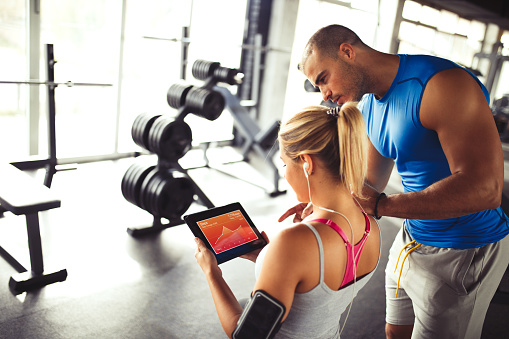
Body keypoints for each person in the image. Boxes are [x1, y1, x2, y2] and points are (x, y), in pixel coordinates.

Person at [282, 24, 509, 339]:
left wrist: (383, 205)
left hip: (464, 246)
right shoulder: (371, 105)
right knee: (394, 332)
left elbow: (486, 190)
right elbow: (369, 184)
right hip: (411, 237)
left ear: (347, 51)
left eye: (323, 79)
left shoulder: (441, 85)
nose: (326, 94)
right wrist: (319, 207)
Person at [195, 102, 381, 338]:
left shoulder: (292, 243)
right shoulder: (371, 227)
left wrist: (212, 273)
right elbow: (320, 300)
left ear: (307, 163)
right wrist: (268, 259)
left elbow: (245, 335)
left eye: (284, 163)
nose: (284, 172)